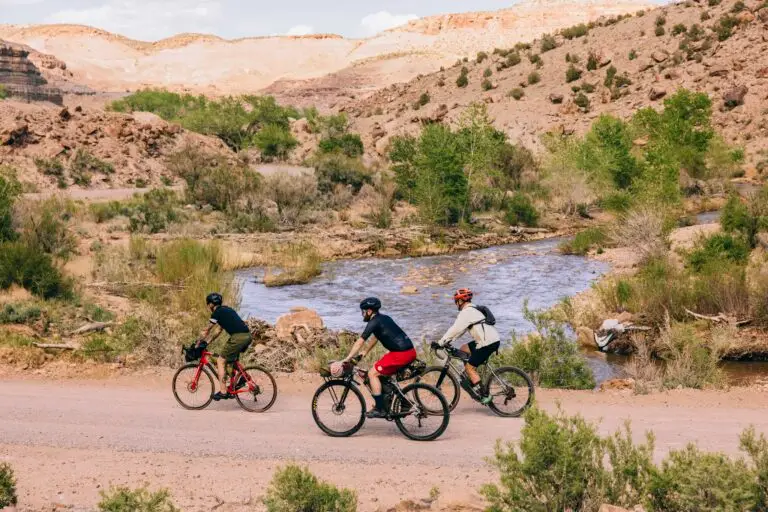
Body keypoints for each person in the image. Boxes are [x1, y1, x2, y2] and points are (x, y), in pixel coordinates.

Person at [342, 297, 417, 419]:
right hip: (409, 351)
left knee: (372, 374)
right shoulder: (384, 318)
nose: (362, 314)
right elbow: (376, 337)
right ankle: (403, 402)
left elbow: (360, 341)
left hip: (400, 354)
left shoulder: (373, 322)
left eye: (363, 311)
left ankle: (380, 408)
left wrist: (348, 358)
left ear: (369, 311)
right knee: (381, 371)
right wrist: (365, 352)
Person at [433, 288, 501, 404]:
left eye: (456, 302)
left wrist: (441, 342)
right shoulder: (473, 309)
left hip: (486, 343)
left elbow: (455, 329)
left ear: (460, 301)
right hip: (491, 340)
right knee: (464, 348)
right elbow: (461, 331)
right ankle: (472, 377)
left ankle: (484, 395)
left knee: (469, 368)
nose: (456, 304)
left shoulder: (466, 312)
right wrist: (449, 341)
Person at [198, 292, 252, 401]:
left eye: (208, 304)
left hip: (238, 338)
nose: (208, 307)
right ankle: (244, 377)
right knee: (231, 361)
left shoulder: (217, 313)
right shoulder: (227, 310)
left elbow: (207, 330)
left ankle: (223, 392)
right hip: (247, 336)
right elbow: (218, 331)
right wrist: (207, 342)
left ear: (211, 304)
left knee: (220, 361)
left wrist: (198, 342)